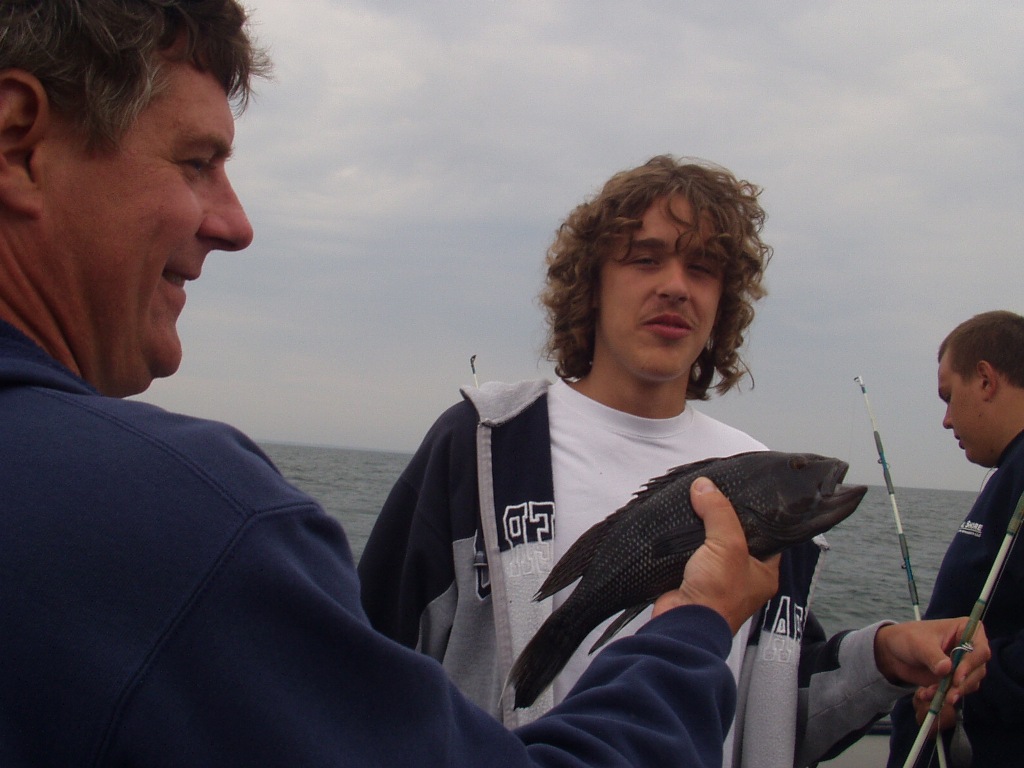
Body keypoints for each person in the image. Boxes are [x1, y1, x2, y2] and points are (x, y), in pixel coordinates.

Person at [0, 3, 797, 767]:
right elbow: (378, 648)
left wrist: (858, 664)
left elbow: (786, 688)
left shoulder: (765, 479)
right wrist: (694, 625)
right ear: (17, 142)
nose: (237, 224)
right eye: (197, 162)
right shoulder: (219, 517)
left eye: (704, 269)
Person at [358, 156, 990, 767]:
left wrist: (881, 658)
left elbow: (771, 713)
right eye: (645, 258)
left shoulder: (764, 482)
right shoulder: (484, 444)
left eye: (703, 268)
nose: (676, 286)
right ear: (592, 283)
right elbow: (364, 668)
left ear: (722, 302)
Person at [887, 310, 1024, 768]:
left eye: (949, 397)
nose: (946, 421)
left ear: (985, 379)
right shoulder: (1008, 474)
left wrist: (963, 692)